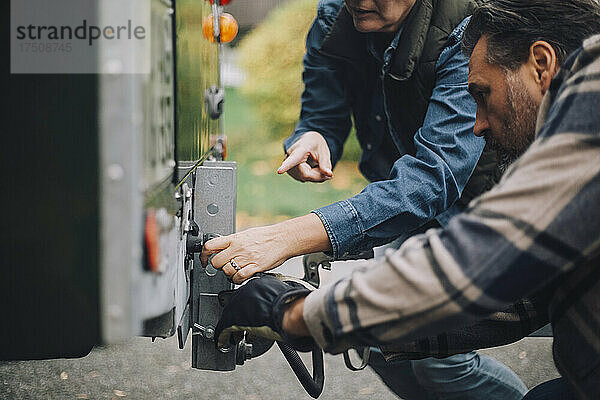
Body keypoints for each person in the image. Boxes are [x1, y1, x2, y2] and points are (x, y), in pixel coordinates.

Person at [214, 0, 600, 399]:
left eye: (482, 95)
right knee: (387, 338)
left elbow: (459, 217)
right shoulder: (336, 19)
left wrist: (295, 313)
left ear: (541, 63)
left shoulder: (586, 115)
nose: (477, 124)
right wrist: (313, 134)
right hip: (412, 215)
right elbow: (520, 297)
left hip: (471, 208)